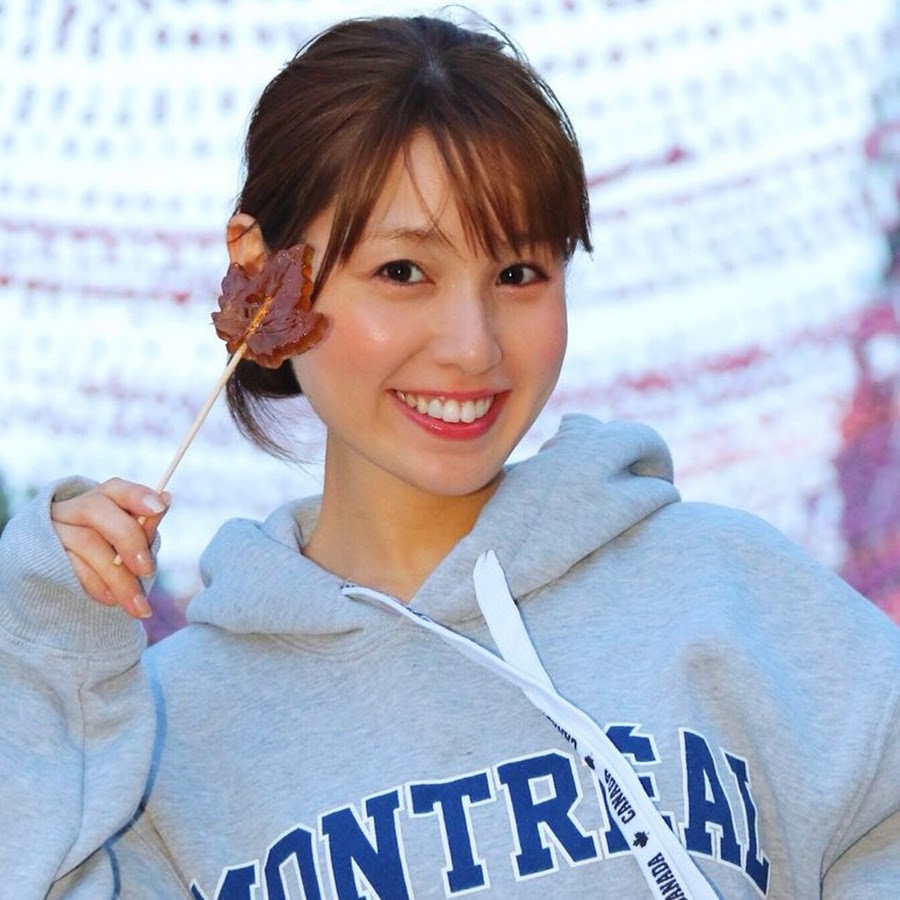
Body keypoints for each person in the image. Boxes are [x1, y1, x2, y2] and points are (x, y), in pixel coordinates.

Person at [1, 13, 898, 900]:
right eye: (403, 272)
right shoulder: (169, 740)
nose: (473, 347)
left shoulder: (724, 590)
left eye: (518, 274)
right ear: (263, 269)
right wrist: (43, 647)